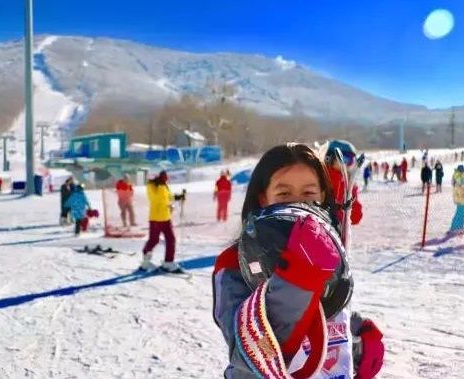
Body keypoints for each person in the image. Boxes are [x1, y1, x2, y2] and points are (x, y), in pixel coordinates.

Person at [212, 143, 383, 379]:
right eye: (283, 194)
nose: (298, 204)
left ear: (323, 196)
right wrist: (297, 279)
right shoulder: (235, 263)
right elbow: (250, 359)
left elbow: (323, 309)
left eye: (309, 194)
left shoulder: (325, 244)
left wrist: (357, 341)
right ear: (263, 198)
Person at [139, 170, 186, 273]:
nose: (165, 179)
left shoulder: (163, 185)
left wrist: (178, 197)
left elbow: (168, 196)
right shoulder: (151, 186)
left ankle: (168, 262)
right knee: (154, 240)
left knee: (171, 239)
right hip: (156, 218)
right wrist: (160, 184)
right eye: (163, 177)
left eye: (165, 177)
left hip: (165, 218)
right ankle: (145, 261)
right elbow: (157, 199)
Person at [449, 165, 464, 235]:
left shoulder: (458, 175)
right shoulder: (458, 175)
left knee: (461, 212)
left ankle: (458, 227)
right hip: (460, 197)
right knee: (460, 212)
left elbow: (463, 185)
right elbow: (461, 185)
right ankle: (456, 227)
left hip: (460, 197)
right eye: (463, 170)